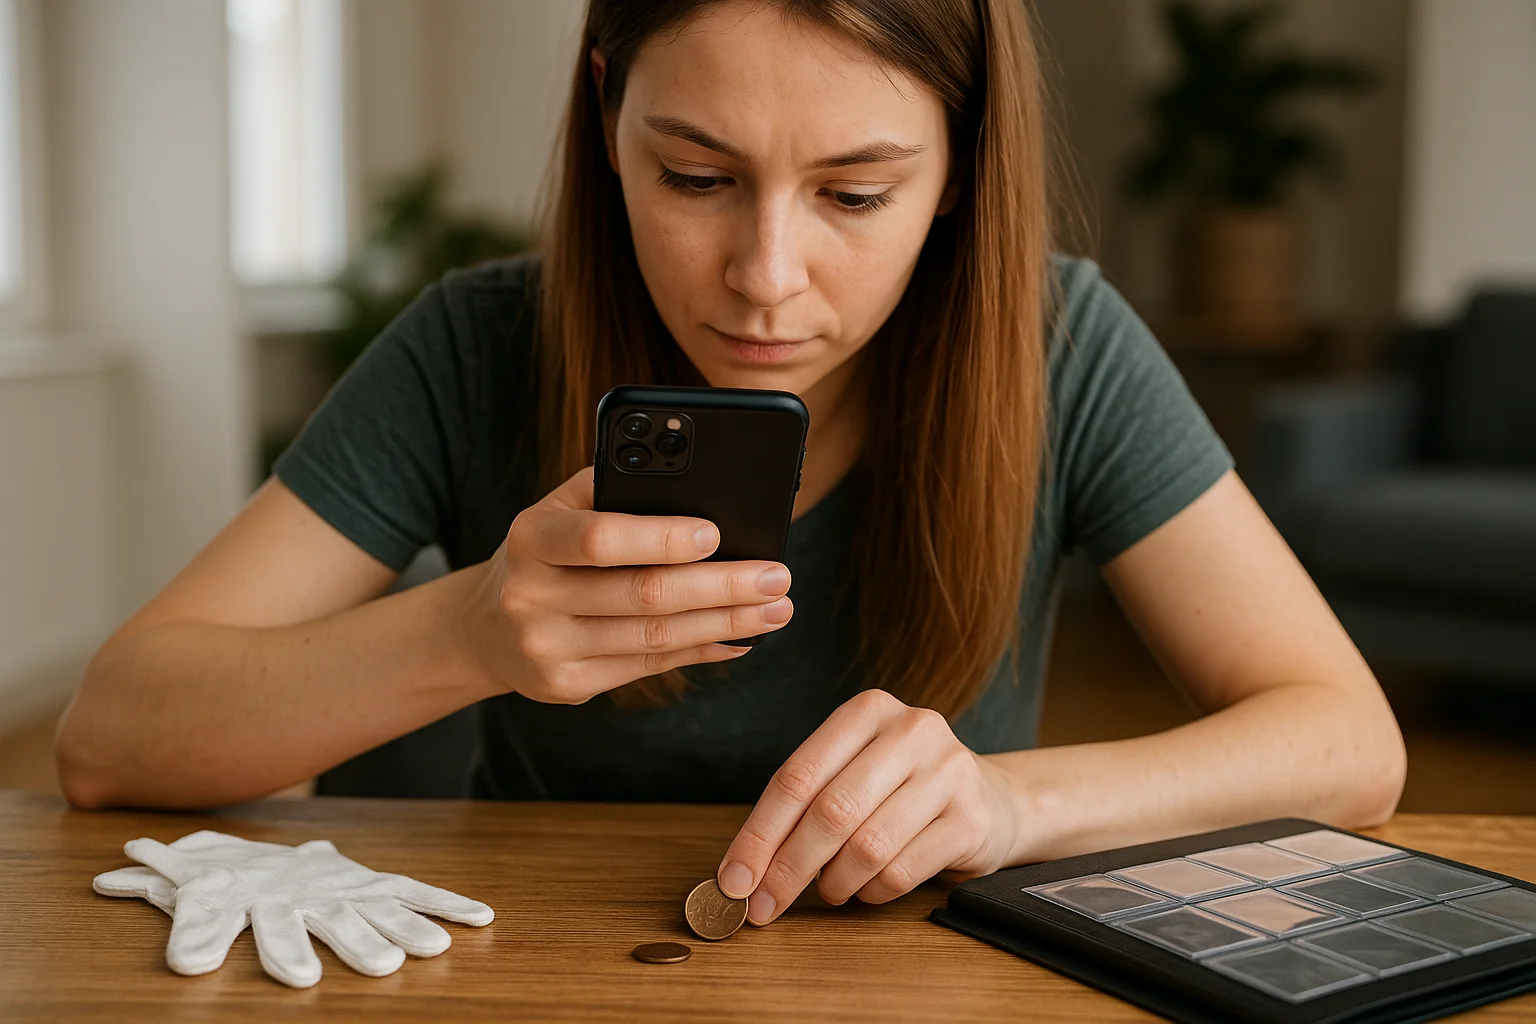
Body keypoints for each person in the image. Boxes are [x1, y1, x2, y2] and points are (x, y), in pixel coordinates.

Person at [57, 0, 1405, 930]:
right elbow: (111, 737)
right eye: (695, 177)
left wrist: (1008, 801)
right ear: (605, 112)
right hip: (530, 971)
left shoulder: (1066, 349)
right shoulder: (478, 346)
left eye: (854, 195)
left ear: (962, 164)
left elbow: (1345, 741)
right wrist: (470, 631)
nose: (765, 281)